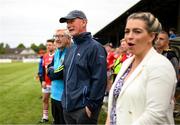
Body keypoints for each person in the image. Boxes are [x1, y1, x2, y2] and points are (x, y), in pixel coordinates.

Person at [106, 12, 177, 125]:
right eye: (127, 31)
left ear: (152, 36)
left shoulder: (161, 65)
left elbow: (155, 116)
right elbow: (114, 106)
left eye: (137, 31)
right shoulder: (127, 63)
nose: (129, 36)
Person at [59, 10, 107, 124]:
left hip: (83, 109)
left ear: (84, 22)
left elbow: (99, 80)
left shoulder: (95, 47)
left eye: (72, 21)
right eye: (67, 23)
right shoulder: (71, 48)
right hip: (67, 108)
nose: (69, 25)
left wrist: (91, 106)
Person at [47, 29, 71, 124]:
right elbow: (50, 67)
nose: (57, 39)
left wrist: (51, 70)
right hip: (54, 96)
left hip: (64, 99)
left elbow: (56, 74)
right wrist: (51, 70)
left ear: (68, 38)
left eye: (61, 36)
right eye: (56, 36)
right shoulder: (57, 52)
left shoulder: (70, 52)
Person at [39, 39, 55, 123]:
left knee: (54, 102)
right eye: (47, 45)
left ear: (54, 45)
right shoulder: (44, 56)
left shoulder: (57, 55)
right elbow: (42, 69)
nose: (48, 46)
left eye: (50, 45)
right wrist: (43, 81)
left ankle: (55, 118)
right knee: (45, 99)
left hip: (55, 83)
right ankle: (45, 117)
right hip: (46, 83)